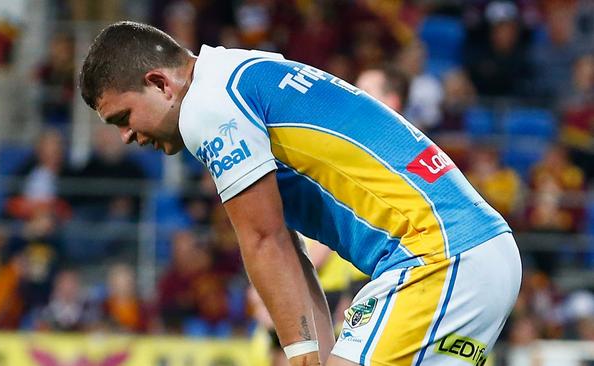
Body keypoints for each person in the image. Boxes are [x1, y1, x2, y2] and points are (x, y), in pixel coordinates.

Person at [80, 21, 522, 366]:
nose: (125, 137)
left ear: (160, 83)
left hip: (438, 259)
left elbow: (262, 241)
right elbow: (286, 245)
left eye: (123, 117)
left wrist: (303, 355)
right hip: (472, 252)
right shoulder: (235, 74)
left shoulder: (206, 108)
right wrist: (314, 350)